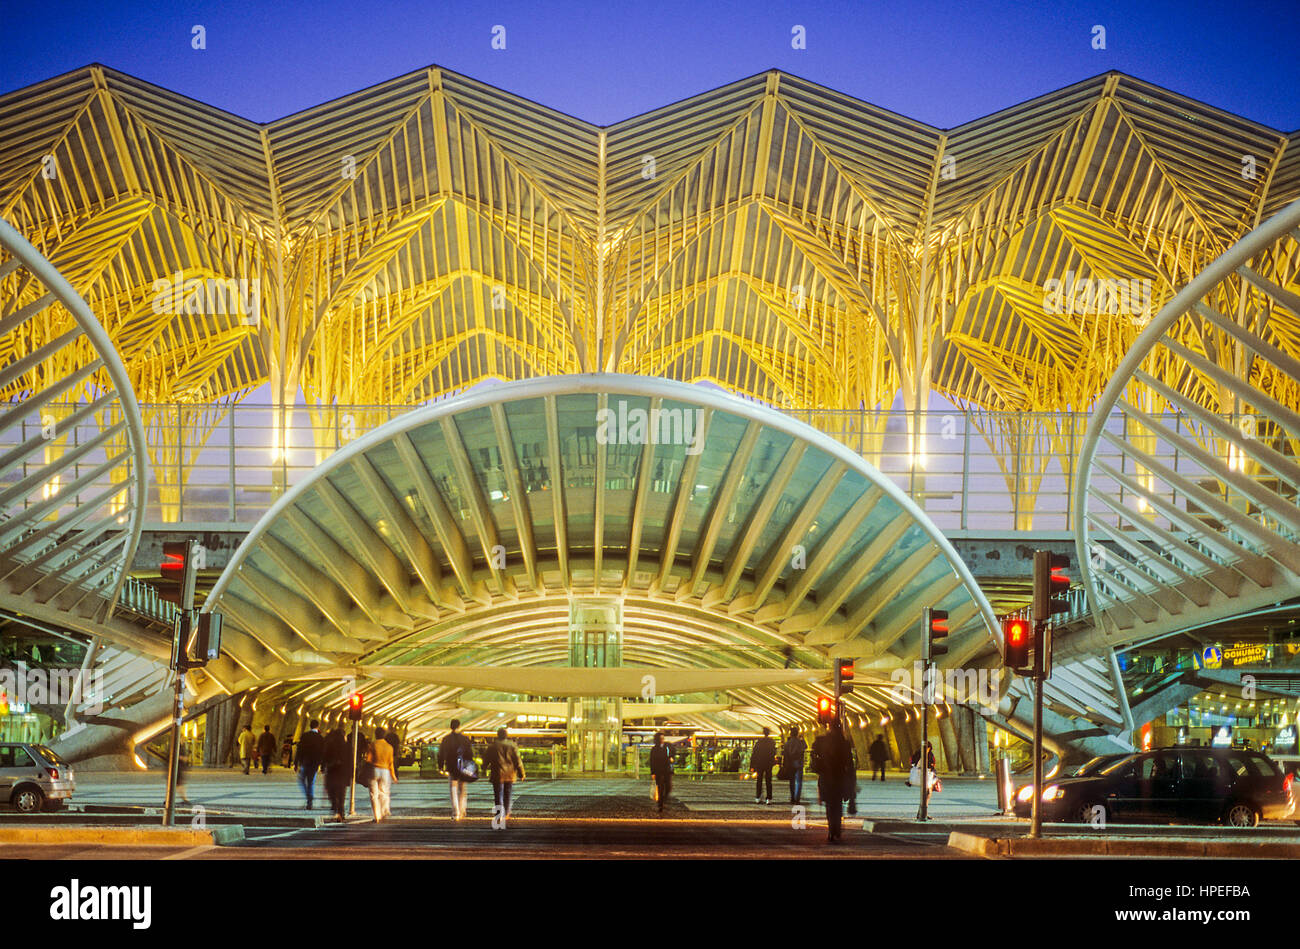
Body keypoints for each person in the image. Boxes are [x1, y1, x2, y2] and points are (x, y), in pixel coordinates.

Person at [811, 722, 851, 842]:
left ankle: (831, 830)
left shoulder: (822, 741)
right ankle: (837, 829)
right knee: (838, 805)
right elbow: (849, 763)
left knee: (829, 805)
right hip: (839, 777)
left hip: (826, 777)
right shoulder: (844, 743)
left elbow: (814, 756)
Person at [485, 727, 525, 821]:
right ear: (506, 735)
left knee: (498, 795)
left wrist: (483, 767)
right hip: (510, 774)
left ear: (498, 735)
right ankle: (506, 813)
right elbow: (517, 760)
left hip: (497, 773)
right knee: (508, 794)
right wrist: (521, 773)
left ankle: (499, 814)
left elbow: (486, 759)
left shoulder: (493, 746)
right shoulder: (512, 745)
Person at [438, 719, 474, 820]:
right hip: (462, 766)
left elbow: (441, 754)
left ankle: (456, 812)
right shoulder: (465, 739)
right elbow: (470, 754)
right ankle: (462, 810)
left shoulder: (446, 739)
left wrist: (441, 766)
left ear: (450, 727)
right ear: (459, 726)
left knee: (453, 789)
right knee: (462, 789)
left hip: (451, 766)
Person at [365, 725, 396, 822]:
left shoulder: (373, 745)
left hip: (374, 769)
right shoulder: (389, 747)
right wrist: (393, 776)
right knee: (384, 792)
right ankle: (384, 812)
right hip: (385, 771)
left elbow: (368, 760)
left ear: (376, 734)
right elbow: (391, 763)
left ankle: (377, 816)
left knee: (374, 794)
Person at [294, 719, 326, 809]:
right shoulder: (320, 738)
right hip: (315, 764)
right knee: (311, 782)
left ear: (310, 726)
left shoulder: (304, 736)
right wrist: (322, 765)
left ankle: (309, 797)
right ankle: (310, 797)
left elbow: (299, 750)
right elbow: (323, 752)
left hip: (305, 762)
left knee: (301, 780)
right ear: (317, 726)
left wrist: (296, 763)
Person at [323, 726, 350, 822]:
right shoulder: (347, 746)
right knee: (341, 794)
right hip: (342, 773)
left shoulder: (330, 745)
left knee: (332, 792)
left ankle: (335, 808)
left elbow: (325, 757)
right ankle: (341, 812)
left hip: (332, 772)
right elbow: (350, 760)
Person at [750, 726, 776, 805]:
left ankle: (758, 797)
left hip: (760, 763)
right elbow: (773, 753)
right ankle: (769, 798)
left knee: (759, 781)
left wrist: (752, 765)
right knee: (768, 781)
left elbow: (754, 754)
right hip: (768, 763)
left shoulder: (759, 742)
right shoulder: (772, 742)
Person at [782, 725, 807, 804]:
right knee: (799, 781)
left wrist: (784, 764)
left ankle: (792, 797)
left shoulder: (787, 743)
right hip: (799, 762)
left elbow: (785, 754)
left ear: (790, 734)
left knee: (792, 781)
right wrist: (802, 739)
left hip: (790, 763)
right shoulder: (800, 742)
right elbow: (805, 747)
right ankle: (797, 798)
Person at [649, 732, 673, 813]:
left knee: (668, 787)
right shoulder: (654, 749)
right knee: (660, 788)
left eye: (663, 738)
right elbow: (652, 761)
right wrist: (653, 772)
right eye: (661, 739)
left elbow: (672, 753)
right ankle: (661, 804)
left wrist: (671, 758)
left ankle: (663, 800)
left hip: (667, 770)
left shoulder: (667, 747)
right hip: (659, 771)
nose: (662, 740)